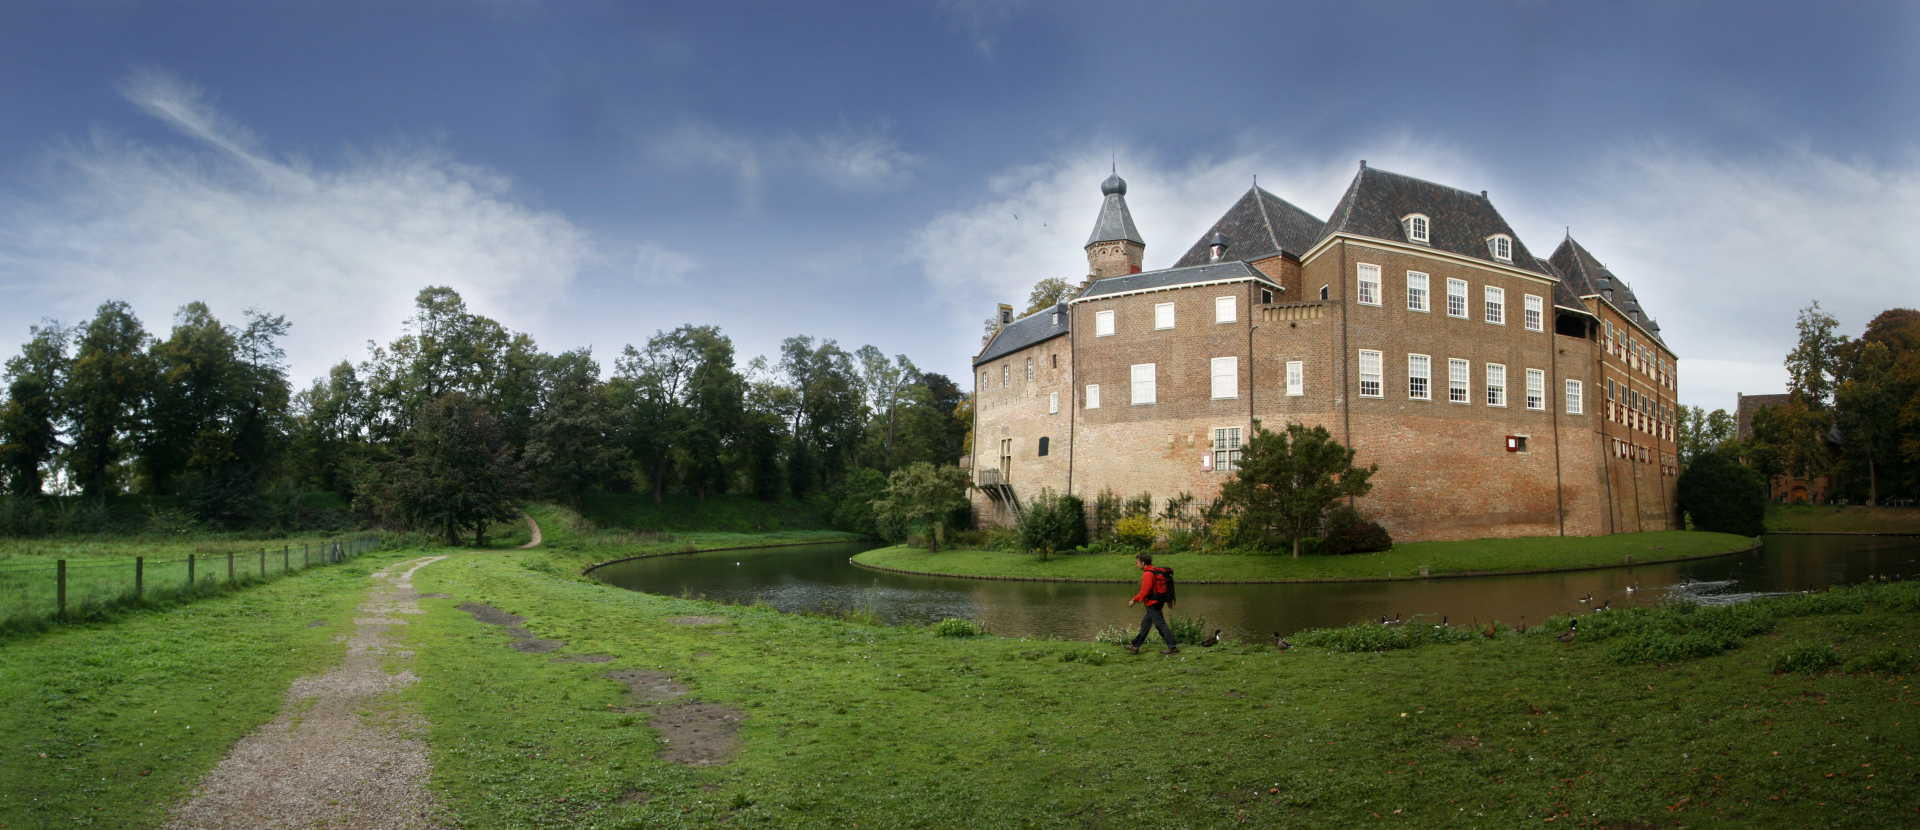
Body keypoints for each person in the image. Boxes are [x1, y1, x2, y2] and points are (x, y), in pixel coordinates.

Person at [1124, 553, 1177, 654]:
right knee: (1145, 624)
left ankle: (1173, 647)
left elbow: (1144, 591)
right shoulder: (1154, 571)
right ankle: (1136, 646)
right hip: (1155, 602)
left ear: (1143, 563)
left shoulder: (1148, 574)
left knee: (1160, 625)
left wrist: (1134, 600)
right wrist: (1169, 601)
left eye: (1137, 563)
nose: (1136, 565)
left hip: (1153, 603)